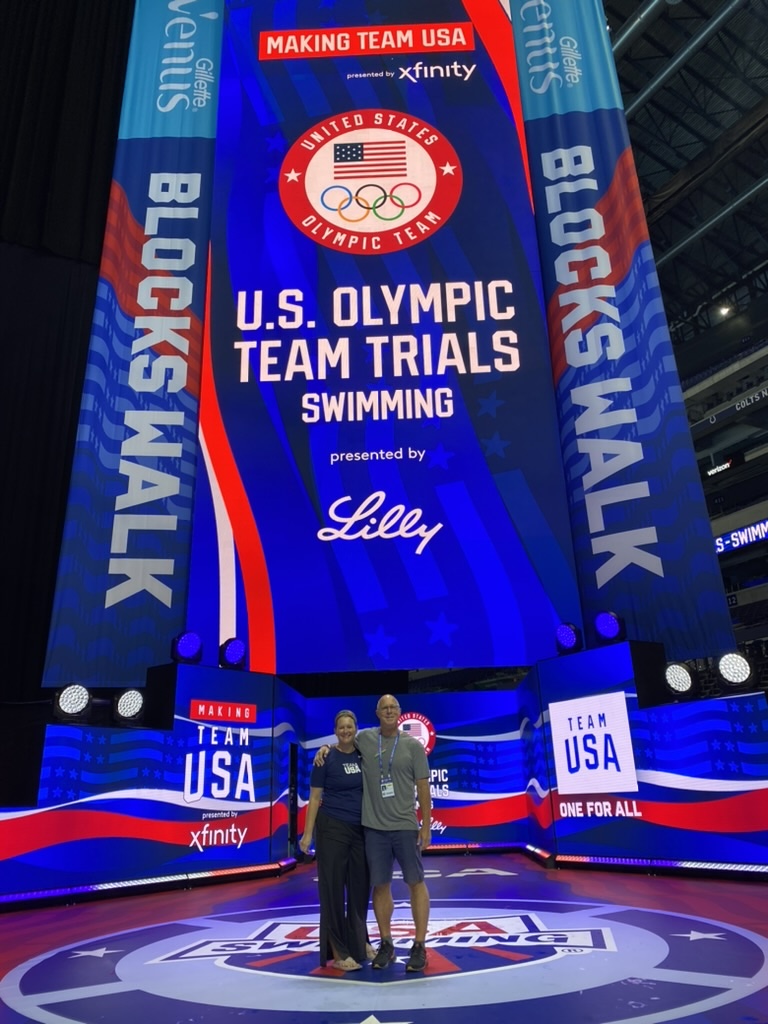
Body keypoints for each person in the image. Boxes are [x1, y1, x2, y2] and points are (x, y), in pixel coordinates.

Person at [315, 694, 432, 973]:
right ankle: (387, 943)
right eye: (384, 708)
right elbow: (344, 740)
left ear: (400, 712)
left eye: (394, 707)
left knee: (415, 882)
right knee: (380, 886)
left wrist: (425, 825)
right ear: (377, 713)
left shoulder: (412, 746)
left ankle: (419, 945)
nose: (389, 711)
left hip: (404, 825)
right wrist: (325, 748)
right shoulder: (366, 739)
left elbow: (423, 787)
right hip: (374, 829)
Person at [299, 709, 373, 971]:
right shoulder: (325, 758)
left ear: (356, 729)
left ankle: (360, 942)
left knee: (360, 889)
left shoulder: (364, 755)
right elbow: (315, 798)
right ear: (335, 730)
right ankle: (339, 952)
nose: (345, 731)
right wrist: (308, 834)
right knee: (332, 892)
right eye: (341, 727)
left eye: (349, 727)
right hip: (332, 829)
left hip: (360, 831)